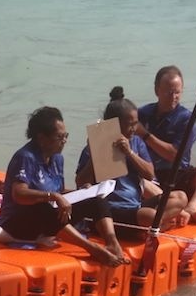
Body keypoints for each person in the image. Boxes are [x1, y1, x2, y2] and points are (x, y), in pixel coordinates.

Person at [0, 106, 128, 267]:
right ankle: (91, 248)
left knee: (96, 200)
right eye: (60, 137)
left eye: (65, 136)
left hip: (48, 217)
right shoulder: (25, 157)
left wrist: (82, 192)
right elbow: (19, 194)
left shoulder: (57, 159)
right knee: (43, 206)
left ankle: (112, 243)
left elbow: (60, 191)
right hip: (18, 222)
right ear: (42, 138)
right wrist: (54, 196)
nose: (64, 141)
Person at [76, 87, 189, 237]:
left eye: (136, 124)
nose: (133, 129)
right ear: (114, 125)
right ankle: (153, 226)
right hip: (112, 209)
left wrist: (129, 153)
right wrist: (96, 155)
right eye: (129, 125)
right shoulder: (93, 147)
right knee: (150, 216)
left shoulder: (136, 142)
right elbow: (80, 183)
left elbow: (149, 174)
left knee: (180, 197)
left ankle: (147, 228)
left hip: (135, 204)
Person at [136, 66, 196, 223]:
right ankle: (173, 209)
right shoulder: (142, 113)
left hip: (178, 173)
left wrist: (145, 134)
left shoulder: (186, 119)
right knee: (133, 178)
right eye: (169, 92)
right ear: (157, 90)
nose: (173, 97)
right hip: (151, 177)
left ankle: (191, 206)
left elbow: (174, 155)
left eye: (177, 92)